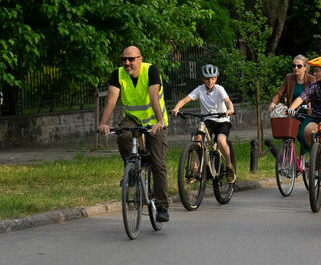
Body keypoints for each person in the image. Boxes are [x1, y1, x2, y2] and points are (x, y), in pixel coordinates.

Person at [97, 46, 170, 223]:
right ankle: (131, 170)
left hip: (154, 120)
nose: (127, 63)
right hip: (132, 119)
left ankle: (162, 206)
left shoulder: (150, 70)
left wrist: (159, 121)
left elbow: (153, 97)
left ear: (140, 58)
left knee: (158, 163)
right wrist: (103, 123)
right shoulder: (118, 74)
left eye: (131, 59)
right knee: (123, 136)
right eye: (124, 59)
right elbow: (111, 100)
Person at [171, 64, 236, 182]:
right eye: (207, 78)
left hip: (222, 120)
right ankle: (194, 169)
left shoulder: (219, 89)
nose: (210, 81)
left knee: (221, 140)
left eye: (212, 78)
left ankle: (229, 165)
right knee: (198, 139)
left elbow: (228, 101)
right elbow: (185, 100)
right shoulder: (199, 90)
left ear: (216, 78)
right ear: (203, 79)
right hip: (208, 121)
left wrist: (230, 109)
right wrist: (176, 108)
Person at [287, 56, 321, 152]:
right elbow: (301, 97)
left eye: (317, 71)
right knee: (307, 130)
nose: (314, 74)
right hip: (316, 118)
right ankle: (315, 155)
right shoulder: (313, 87)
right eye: (314, 71)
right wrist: (291, 108)